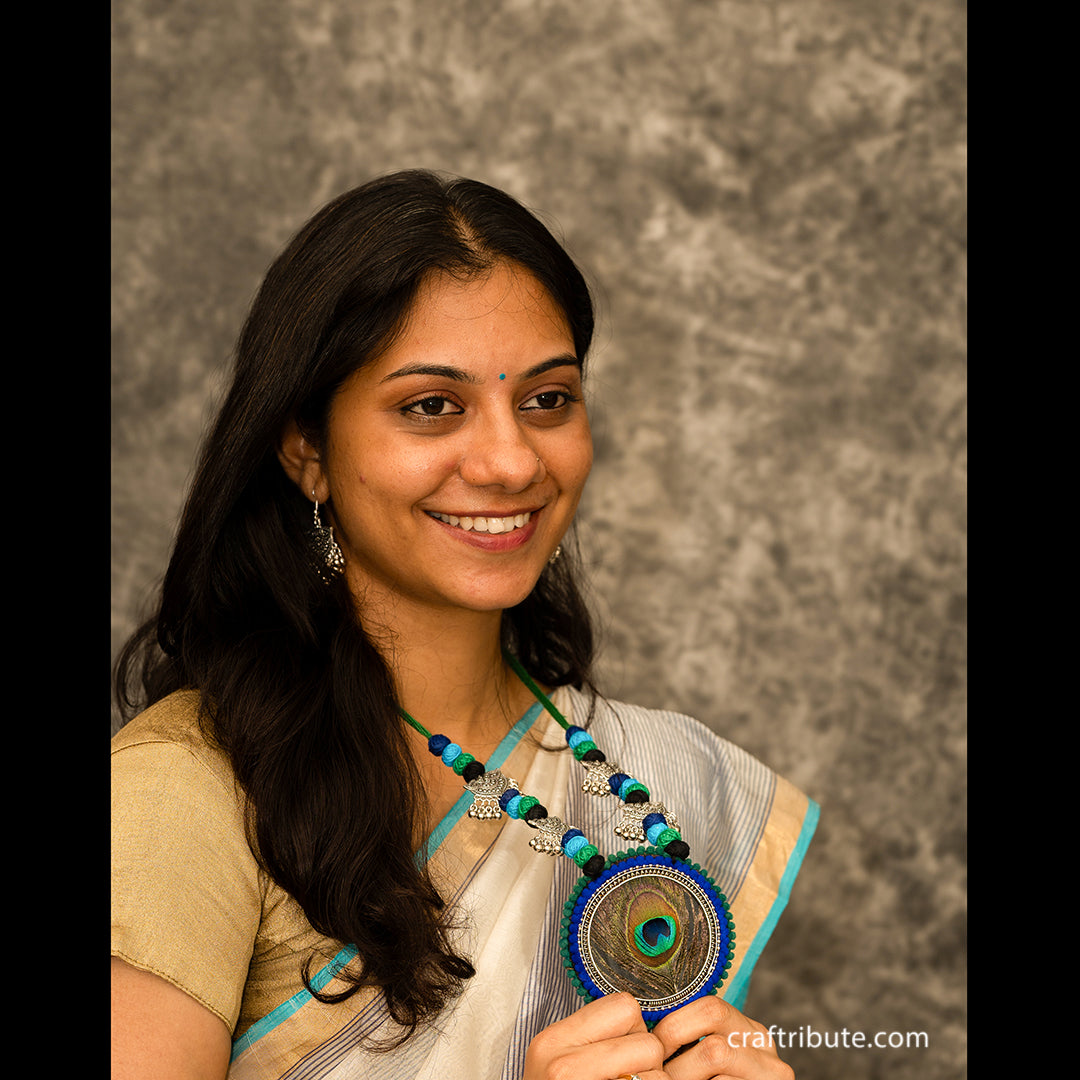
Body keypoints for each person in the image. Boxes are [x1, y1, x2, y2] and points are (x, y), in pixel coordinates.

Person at [111, 169, 818, 1080]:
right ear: (307, 450)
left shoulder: (658, 780)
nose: (511, 459)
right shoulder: (184, 798)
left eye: (547, 399)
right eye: (431, 407)